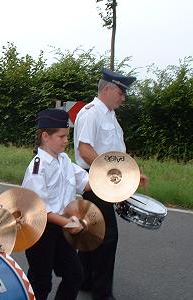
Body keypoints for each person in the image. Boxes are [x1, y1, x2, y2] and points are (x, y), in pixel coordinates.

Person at [73, 68, 148, 300]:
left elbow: (116, 153)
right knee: (107, 236)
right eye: (121, 92)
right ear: (107, 89)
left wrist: (132, 173)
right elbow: (85, 150)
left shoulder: (110, 116)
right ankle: (102, 293)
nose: (123, 97)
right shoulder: (91, 113)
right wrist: (110, 174)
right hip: (95, 180)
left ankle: (84, 279)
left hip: (106, 179)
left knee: (92, 232)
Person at [22, 108, 91, 300]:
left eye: (67, 136)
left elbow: (87, 183)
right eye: (61, 136)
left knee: (74, 274)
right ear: (45, 136)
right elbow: (40, 209)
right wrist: (69, 223)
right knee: (41, 281)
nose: (66, 141)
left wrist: (123, 181)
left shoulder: (64, 161)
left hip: (63, 227)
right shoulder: (37, 168)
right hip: (41, 229)